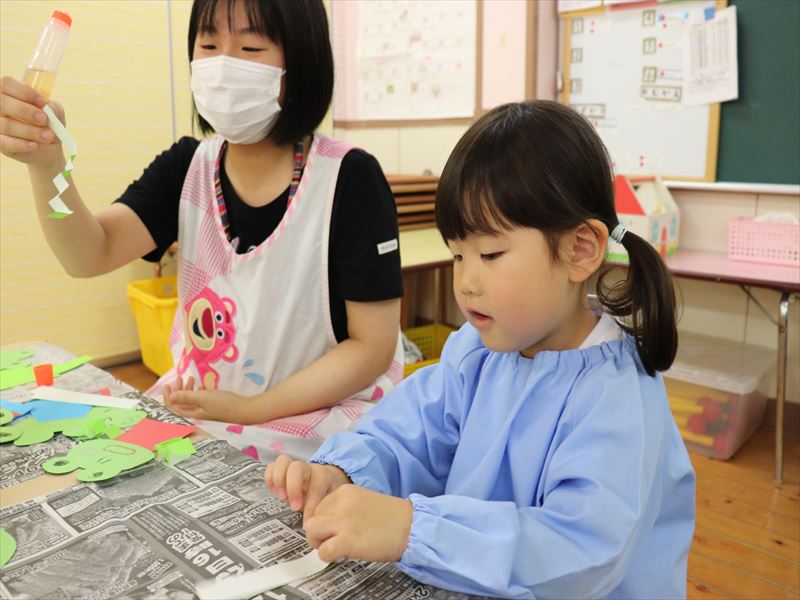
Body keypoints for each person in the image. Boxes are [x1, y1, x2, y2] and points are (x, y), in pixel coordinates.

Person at [265, 101, 696, 598]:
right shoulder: (477, 351)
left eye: (490, 254)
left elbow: (580, 551)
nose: (466, 282)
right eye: (457, 254)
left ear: (580, 249)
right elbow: (408, 434)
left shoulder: (617, 396)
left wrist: (413, 529)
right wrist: (341, 472)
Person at [0, 0, 404, 461]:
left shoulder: (349, 178)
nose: (223, 67)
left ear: (300, 64)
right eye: (209, 45)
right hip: (204, 406)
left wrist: (253, 409)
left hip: (318, 420)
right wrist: (48, 166)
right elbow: (88, 254)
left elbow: (372, 348)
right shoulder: (187, 167)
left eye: (250, 47)